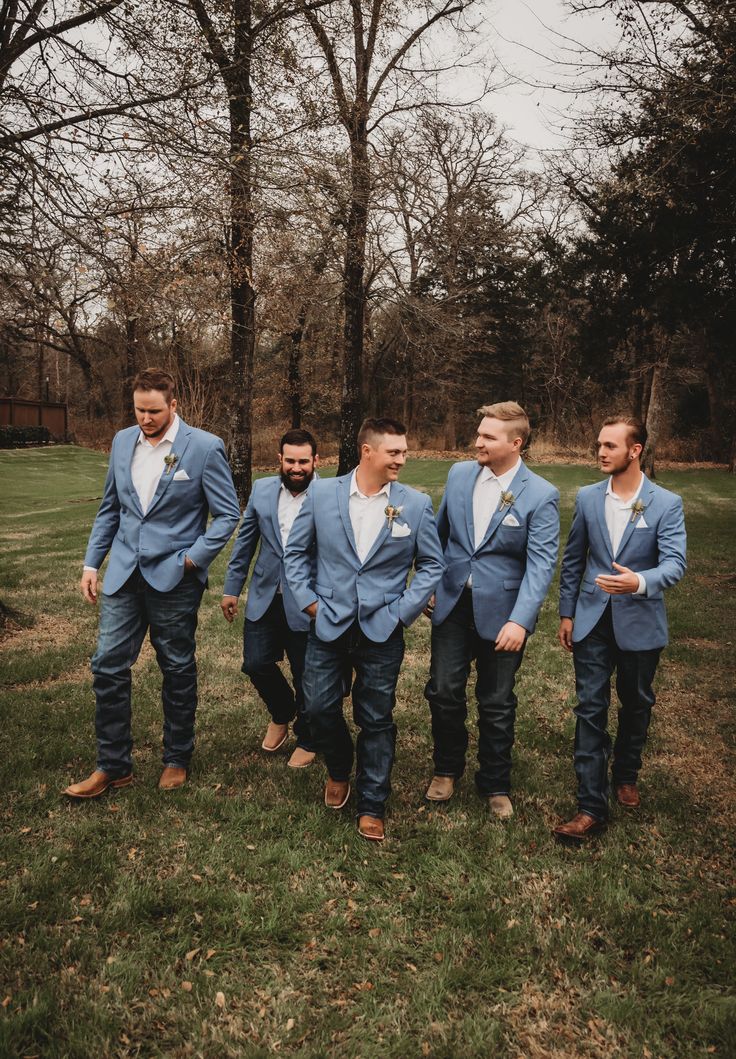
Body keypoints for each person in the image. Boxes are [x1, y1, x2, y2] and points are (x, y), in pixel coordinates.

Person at [64, 368, 240, 798]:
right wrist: (92, 564)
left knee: (176, 667)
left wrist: (191, 560)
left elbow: (228, 515)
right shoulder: (123, 441)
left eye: (155, 411)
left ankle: (177, 757)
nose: (146, 418)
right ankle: (112, 765)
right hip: (124, 574)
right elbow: (110, 508)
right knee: (107, 664)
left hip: (174, 578)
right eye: (140, 410)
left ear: (173, 405)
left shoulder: (203, 447)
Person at [283, 417, 444, 841]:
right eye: (395, 452)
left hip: (382, 628)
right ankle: (339, 768)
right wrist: (310, 602)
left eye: (404, 452)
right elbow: (295, 552)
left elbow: (431, 565)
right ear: (367, 451)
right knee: (317, 708)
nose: (402, 460)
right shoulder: (321, 494)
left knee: (376, 716)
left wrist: (402, 610)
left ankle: (372, 803)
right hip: (328, 622)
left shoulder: (416, 503)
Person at [554, 415, 686, 844]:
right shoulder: (589, 498)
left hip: (640, 620)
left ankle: (626, 772)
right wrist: (567, 613)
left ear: (635, 451)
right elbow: (574, 559)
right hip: (592, 620)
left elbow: (675, 564)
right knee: (589, 708)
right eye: (599, 445)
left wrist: (640, 581)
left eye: (610, 445)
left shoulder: (665, 503)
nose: (600, 452)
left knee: (636, 702)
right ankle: (591, 806)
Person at [424, 402, 559, 818]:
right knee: (443, 690)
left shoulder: (540, 495)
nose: (477, 442)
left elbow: (540, 566)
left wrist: (520, 620)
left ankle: (495, 781)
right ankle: (447, 769)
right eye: (479, 433)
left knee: (496, 700)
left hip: (503, 613)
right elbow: (439, 534)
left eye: (488, 437)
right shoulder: (459, 474)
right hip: (452, 605)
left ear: (515, 443)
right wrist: (431, 584)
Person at [221, 429, 320, 768]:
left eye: (303, 461)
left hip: (308, 599)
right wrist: (232, 588)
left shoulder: (329, 494)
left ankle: (308, 737)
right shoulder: (262, 490)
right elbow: (245, 543)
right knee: (256, 663)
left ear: (315, 461)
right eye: (290, 460)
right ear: (280, 460)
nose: (296, 467)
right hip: (265, 595)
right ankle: (282, 711)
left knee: (307, 673)